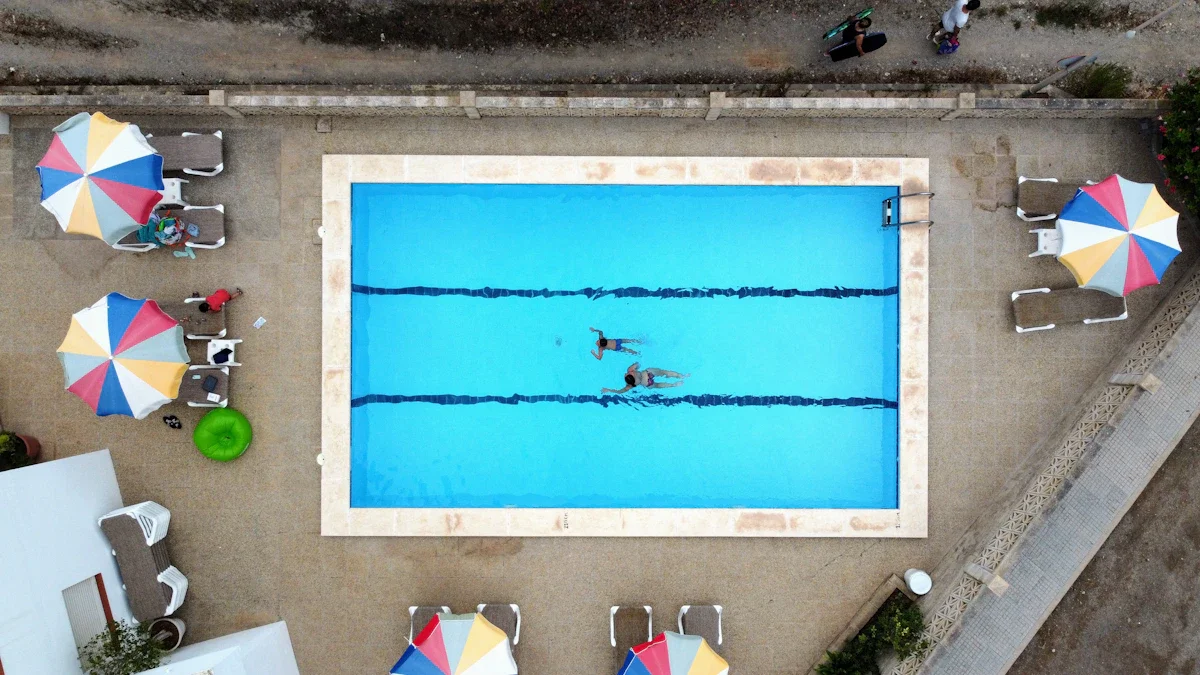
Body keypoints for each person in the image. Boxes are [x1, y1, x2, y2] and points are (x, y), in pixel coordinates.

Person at [602, 363, 689, 394]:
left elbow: (621, 391)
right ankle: (682, 376)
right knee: (665, 372)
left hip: (648, 384)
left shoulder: (631, 385)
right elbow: (638, 364)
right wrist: (636, 365)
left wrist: (609, 390)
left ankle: (674, 385)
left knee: (658, 385)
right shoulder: (630, 370)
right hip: (648, 373)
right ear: (629, 374)